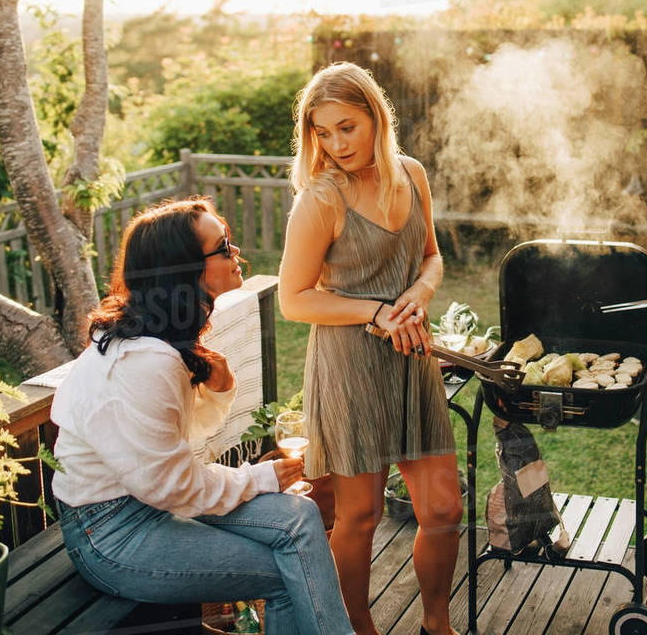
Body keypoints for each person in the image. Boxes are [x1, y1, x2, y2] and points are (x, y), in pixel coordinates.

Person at [50, 197, 353, 635]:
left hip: (145, 501)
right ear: (185, 269)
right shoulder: (143, 362)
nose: (236, 253)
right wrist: (261, 478)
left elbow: (180, 438)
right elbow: (173, 487)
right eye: (223, 245)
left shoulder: (158, 344)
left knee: (300, 517)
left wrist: (222, 382)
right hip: (110, 532)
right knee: (288, 573)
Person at [279, 62, 462, 635]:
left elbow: (431, 254)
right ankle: (356, 626)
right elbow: (294, 300)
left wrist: (417, 292)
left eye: (347, 128)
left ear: (376, 118)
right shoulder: (321, 199)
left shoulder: (412, 173)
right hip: (348, 363)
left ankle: (436, 625)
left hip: (412, 359)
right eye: (323, 133)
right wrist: (377, 310)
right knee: (360, 514)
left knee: (443, 509)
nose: (335, 145)